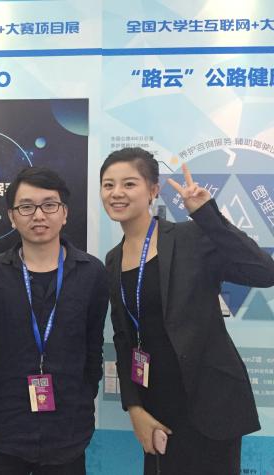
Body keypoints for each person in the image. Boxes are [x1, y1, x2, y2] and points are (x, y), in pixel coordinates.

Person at [99, 147, 274, 475]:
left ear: (153, 190)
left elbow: (264, 273)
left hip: (211, 403)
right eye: (108, 185)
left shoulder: (190, 236)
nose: (116, 193)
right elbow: (124, 338)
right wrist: (134, 406)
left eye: (129, 183)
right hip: (157, 407)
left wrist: (207, 215)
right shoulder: (113, 259)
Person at [0, 166, 108, 475]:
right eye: (27, 207)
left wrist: (82, 402)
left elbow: (93, 349)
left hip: (68, 433)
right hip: (3, 434)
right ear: (12, 216)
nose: (39, 215)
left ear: (65, 213)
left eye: (49, 205)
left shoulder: (92, 273)